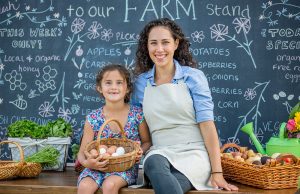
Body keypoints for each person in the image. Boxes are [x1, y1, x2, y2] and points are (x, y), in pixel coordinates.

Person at [132, 18, 239, 194]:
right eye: (153, 43)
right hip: (159, 151)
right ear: (147, 47)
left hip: (195, 153)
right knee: (153, 163)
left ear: (176, 43)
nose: (159, 49)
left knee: (168, 186)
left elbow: (207, 125)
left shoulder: (193, 77)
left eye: (165, 42)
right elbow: (137, 123)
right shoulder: (141, 83)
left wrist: (217, 172)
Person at [77, 64, 151, 194]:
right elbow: (82, 152)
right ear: (99, 88)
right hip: (96, 167)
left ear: (127, 88)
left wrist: (140, 150)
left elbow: (147, 142)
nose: (113, 87)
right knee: (84, 187)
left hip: (124, 168)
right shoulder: (93, 118)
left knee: (109, 185)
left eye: (119, 83)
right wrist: (88, 164)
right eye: (108, 83)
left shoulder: (137, 114)